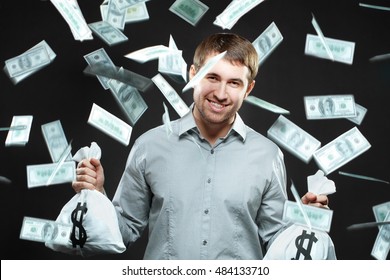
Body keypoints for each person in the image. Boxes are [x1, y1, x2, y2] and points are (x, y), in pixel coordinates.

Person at [72, 33, 329, 259]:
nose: (220, 93)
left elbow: (275, 241)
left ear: (248, 89)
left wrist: (302, 225)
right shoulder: (149, 146)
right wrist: (97, 196)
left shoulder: (267, 155)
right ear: (193, 75)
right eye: (212, 77)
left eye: (234, 83)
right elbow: (124, 231)